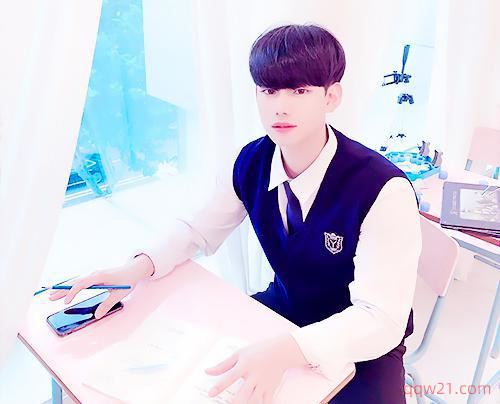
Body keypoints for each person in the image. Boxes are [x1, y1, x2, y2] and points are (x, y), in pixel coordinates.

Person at [50, 24, 421, 403]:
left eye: (300, 91)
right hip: (283, 312)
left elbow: (381, 319)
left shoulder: (382, 189)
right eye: (268, 90)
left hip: (362, 346)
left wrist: (288, 349)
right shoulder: (252, 161)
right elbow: (197, 228)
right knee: (182, 374)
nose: (281, 106)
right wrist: (136, 268)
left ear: (331, 96)